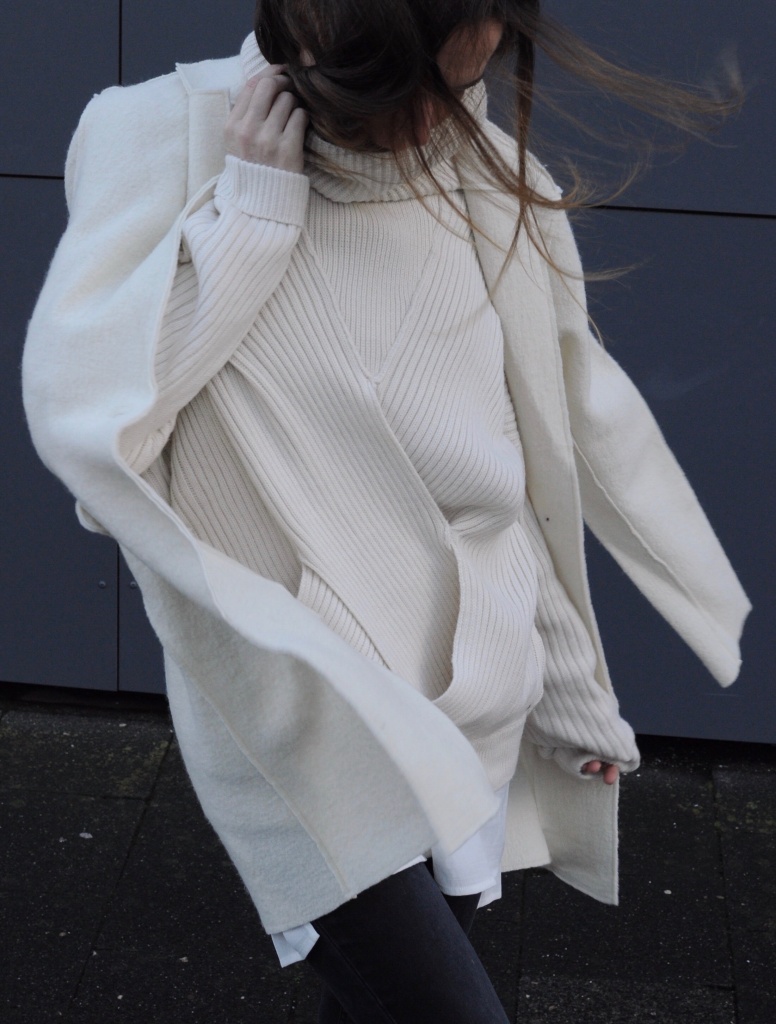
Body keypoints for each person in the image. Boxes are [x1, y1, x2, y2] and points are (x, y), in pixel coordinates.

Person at [22, 1, 750, 1021]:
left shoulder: (491, 178)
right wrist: (252, 222)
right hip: (310, 726)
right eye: (407, 84)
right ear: (319, 37)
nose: (435, 120)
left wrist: (571, 690)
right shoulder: (160, 135)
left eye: (464, 77)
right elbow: (104, 451)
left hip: (472, 709)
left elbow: (513, 480)